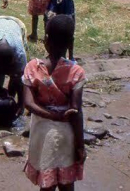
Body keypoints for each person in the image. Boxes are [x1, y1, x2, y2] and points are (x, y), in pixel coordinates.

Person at [23, 15, 86, 190]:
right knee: (67, 184)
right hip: (66, 135)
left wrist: (51, 116)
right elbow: (76, 112)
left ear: (45, 40)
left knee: (47, 183)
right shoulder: (76, 72)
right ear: (70, 43)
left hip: (42, 134)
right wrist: (80, 146)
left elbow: (28, 103)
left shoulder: (33, 67)